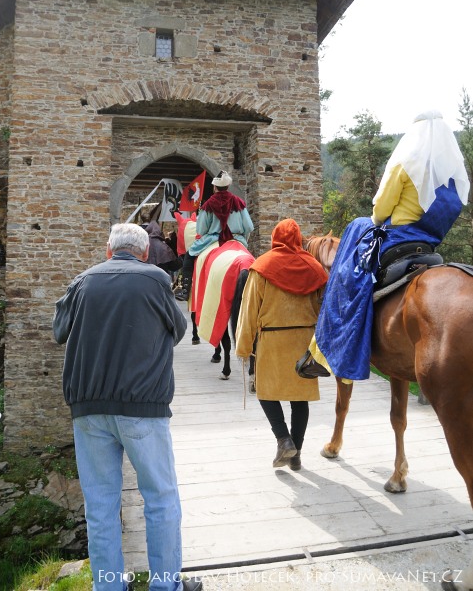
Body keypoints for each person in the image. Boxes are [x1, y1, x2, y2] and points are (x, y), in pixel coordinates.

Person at [53, 223, 202, 591]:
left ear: (109, 250)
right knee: (160, 498)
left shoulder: (82, 281)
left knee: (100, 505)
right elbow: (178, 330)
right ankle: (165, 586)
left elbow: (59, 331)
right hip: (142, 407)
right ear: (145, 253)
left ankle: (108, 586)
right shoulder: (155, 279)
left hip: (88, 407)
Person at [299, 110, 470, 382]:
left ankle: (328, 348)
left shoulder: (407, 162)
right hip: (428, 245)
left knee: (346, 272)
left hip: (397, 239)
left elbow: (379, 211)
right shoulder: (453, 177)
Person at [235, 219, 328, 470]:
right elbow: (325, 309)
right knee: (300, 400)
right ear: (298, 239)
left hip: (273, 342)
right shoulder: (315, 268)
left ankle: (284, 440)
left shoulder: (262, 267)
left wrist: (244, 346)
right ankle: (295, 454)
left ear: (275, 238)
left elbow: (249, 310)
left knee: (265, 393)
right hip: (303, 343)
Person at [176, 171, 254, 301]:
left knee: (189, 255)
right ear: (228, 186)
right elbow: (249, 227)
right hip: (236, 238)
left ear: (214, 187)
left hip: (213, 239)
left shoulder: (208, 204)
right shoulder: (238, 202)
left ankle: (185, 290)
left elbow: (201, 229)